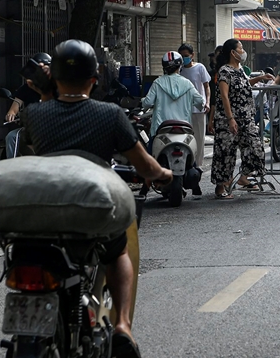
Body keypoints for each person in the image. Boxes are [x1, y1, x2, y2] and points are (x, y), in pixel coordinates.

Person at [20, 40, 172, 358]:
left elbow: (48, 135)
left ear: (54, 78)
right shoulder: (110, 114)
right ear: (94, 78)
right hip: (92, 211)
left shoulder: (34, 114)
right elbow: (145, 166)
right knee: (118, 251)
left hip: (45, 214)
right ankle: (123, 327)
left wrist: (47, 92)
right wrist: (165, 174)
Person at [210, 38, 273, 199]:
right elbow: (224, 96)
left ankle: (244, 177)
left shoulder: (240, 69)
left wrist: (260, 78)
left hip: (246, 118)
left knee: (255, 147)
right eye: (241, 48)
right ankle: (221, 187)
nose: (243, 51)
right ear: (233, 52)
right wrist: (230, 118)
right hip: (227, 119)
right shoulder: (225, 71)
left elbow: (244, 84)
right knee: (225, 153)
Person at [142, 51, 205, 137]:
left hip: (161, 131)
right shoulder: (187, 84)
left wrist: (143, 100)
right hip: (184, 130)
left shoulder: (157, 83)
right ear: (180, 66)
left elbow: (148, 103)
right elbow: (200, 102)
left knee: (150, 144)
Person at [4, 52, 50, 158]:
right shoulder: (26, 88)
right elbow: (14, 107)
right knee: (11, 137)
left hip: (51, 128)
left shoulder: (57, 87)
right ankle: (11, 164)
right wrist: (11, 114)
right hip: (31, 127)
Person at [177, 43, 211, 168]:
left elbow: (207, 87)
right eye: (181, 56)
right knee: (186, 138)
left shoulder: (200, 68)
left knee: (199, 138)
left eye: (186, 55)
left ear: (192, 55)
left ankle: (198, 164)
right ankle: (188, 162)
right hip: (184, 109)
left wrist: (207, 102)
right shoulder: (179, 70)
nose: (184, 58)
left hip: (199, 108)